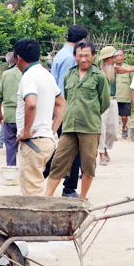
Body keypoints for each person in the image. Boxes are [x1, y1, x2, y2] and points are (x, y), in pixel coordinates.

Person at [44, 41, 110, 200]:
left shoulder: (100, 77)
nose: (83, 59)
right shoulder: (69, 75)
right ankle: (46, 197)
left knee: (88, 164)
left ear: (93, 56)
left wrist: (90, 114)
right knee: (59, 161)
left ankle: (82, 198)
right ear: (75, 56)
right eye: (79, 55)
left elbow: (105, 102)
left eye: (87, 55)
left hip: (89, 127)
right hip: (69, 127)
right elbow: (66, 99)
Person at [14, 38, 66, 195]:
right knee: (36, 186)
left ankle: (37, 220)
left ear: (18, 58)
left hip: (33, 142)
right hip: (46, 141)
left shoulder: (28, 77)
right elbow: (62, 103)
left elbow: (31, 103)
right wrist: (52, 130)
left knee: (32, 194)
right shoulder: (47, 75)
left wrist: (26, 131)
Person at [47, 25, 89, 198]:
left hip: (62, 108)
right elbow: (66, 87)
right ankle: (69, 188)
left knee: (68, 148)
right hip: (68, 109)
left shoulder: (61, 54)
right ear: (81, 40)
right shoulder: (71, 59)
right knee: (73, 149)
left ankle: (50, 172)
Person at [0, 52, 22, 165]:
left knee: (10, 145)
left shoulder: (6, 74)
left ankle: (10, 170)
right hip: (26, 116)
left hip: (9, 115)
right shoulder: (30, 73)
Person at [97, 46, 119, 166]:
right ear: (106, 59)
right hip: (101, 102)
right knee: (101, 128)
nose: (115, 59)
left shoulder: (114, 70)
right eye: (113, 57)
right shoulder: (98, 71)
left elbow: (129, 69)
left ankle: (105, 147)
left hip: (113, 101)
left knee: (113, 130)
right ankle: (101, 154)